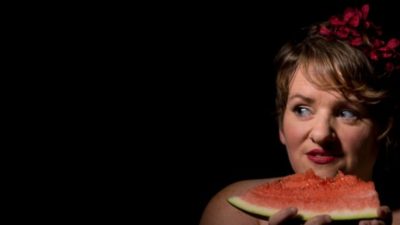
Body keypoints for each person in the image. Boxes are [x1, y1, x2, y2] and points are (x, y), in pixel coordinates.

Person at [200, 3, 400, 225]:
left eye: (347, 113)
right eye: (302, 109)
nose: (321, 134)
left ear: (383, 128)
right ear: (281, 126)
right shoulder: (230, 214)